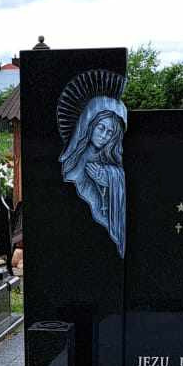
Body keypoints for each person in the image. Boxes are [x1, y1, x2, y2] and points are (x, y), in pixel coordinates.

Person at [59, 97, 127, 257]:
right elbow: (72, 178)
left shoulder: (109, 161)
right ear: (90, 125)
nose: (104, 136)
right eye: (101, 128)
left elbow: (120, 178)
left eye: (109, 133)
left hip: (100, 233)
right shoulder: (78, 157)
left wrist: (109, 178)